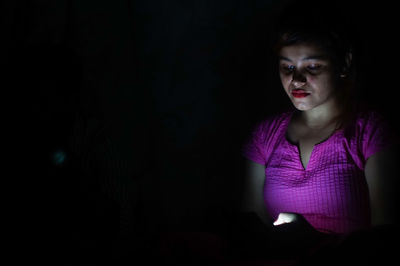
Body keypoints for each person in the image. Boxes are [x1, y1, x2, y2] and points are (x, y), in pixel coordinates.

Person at [240, 0, 398, 262]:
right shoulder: (265, 137)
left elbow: (385, 235)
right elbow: (249, 228)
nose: (297, 80)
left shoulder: (369, 133)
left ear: (344, 63)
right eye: (287, 67)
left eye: (312, 67)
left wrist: (315, 244)